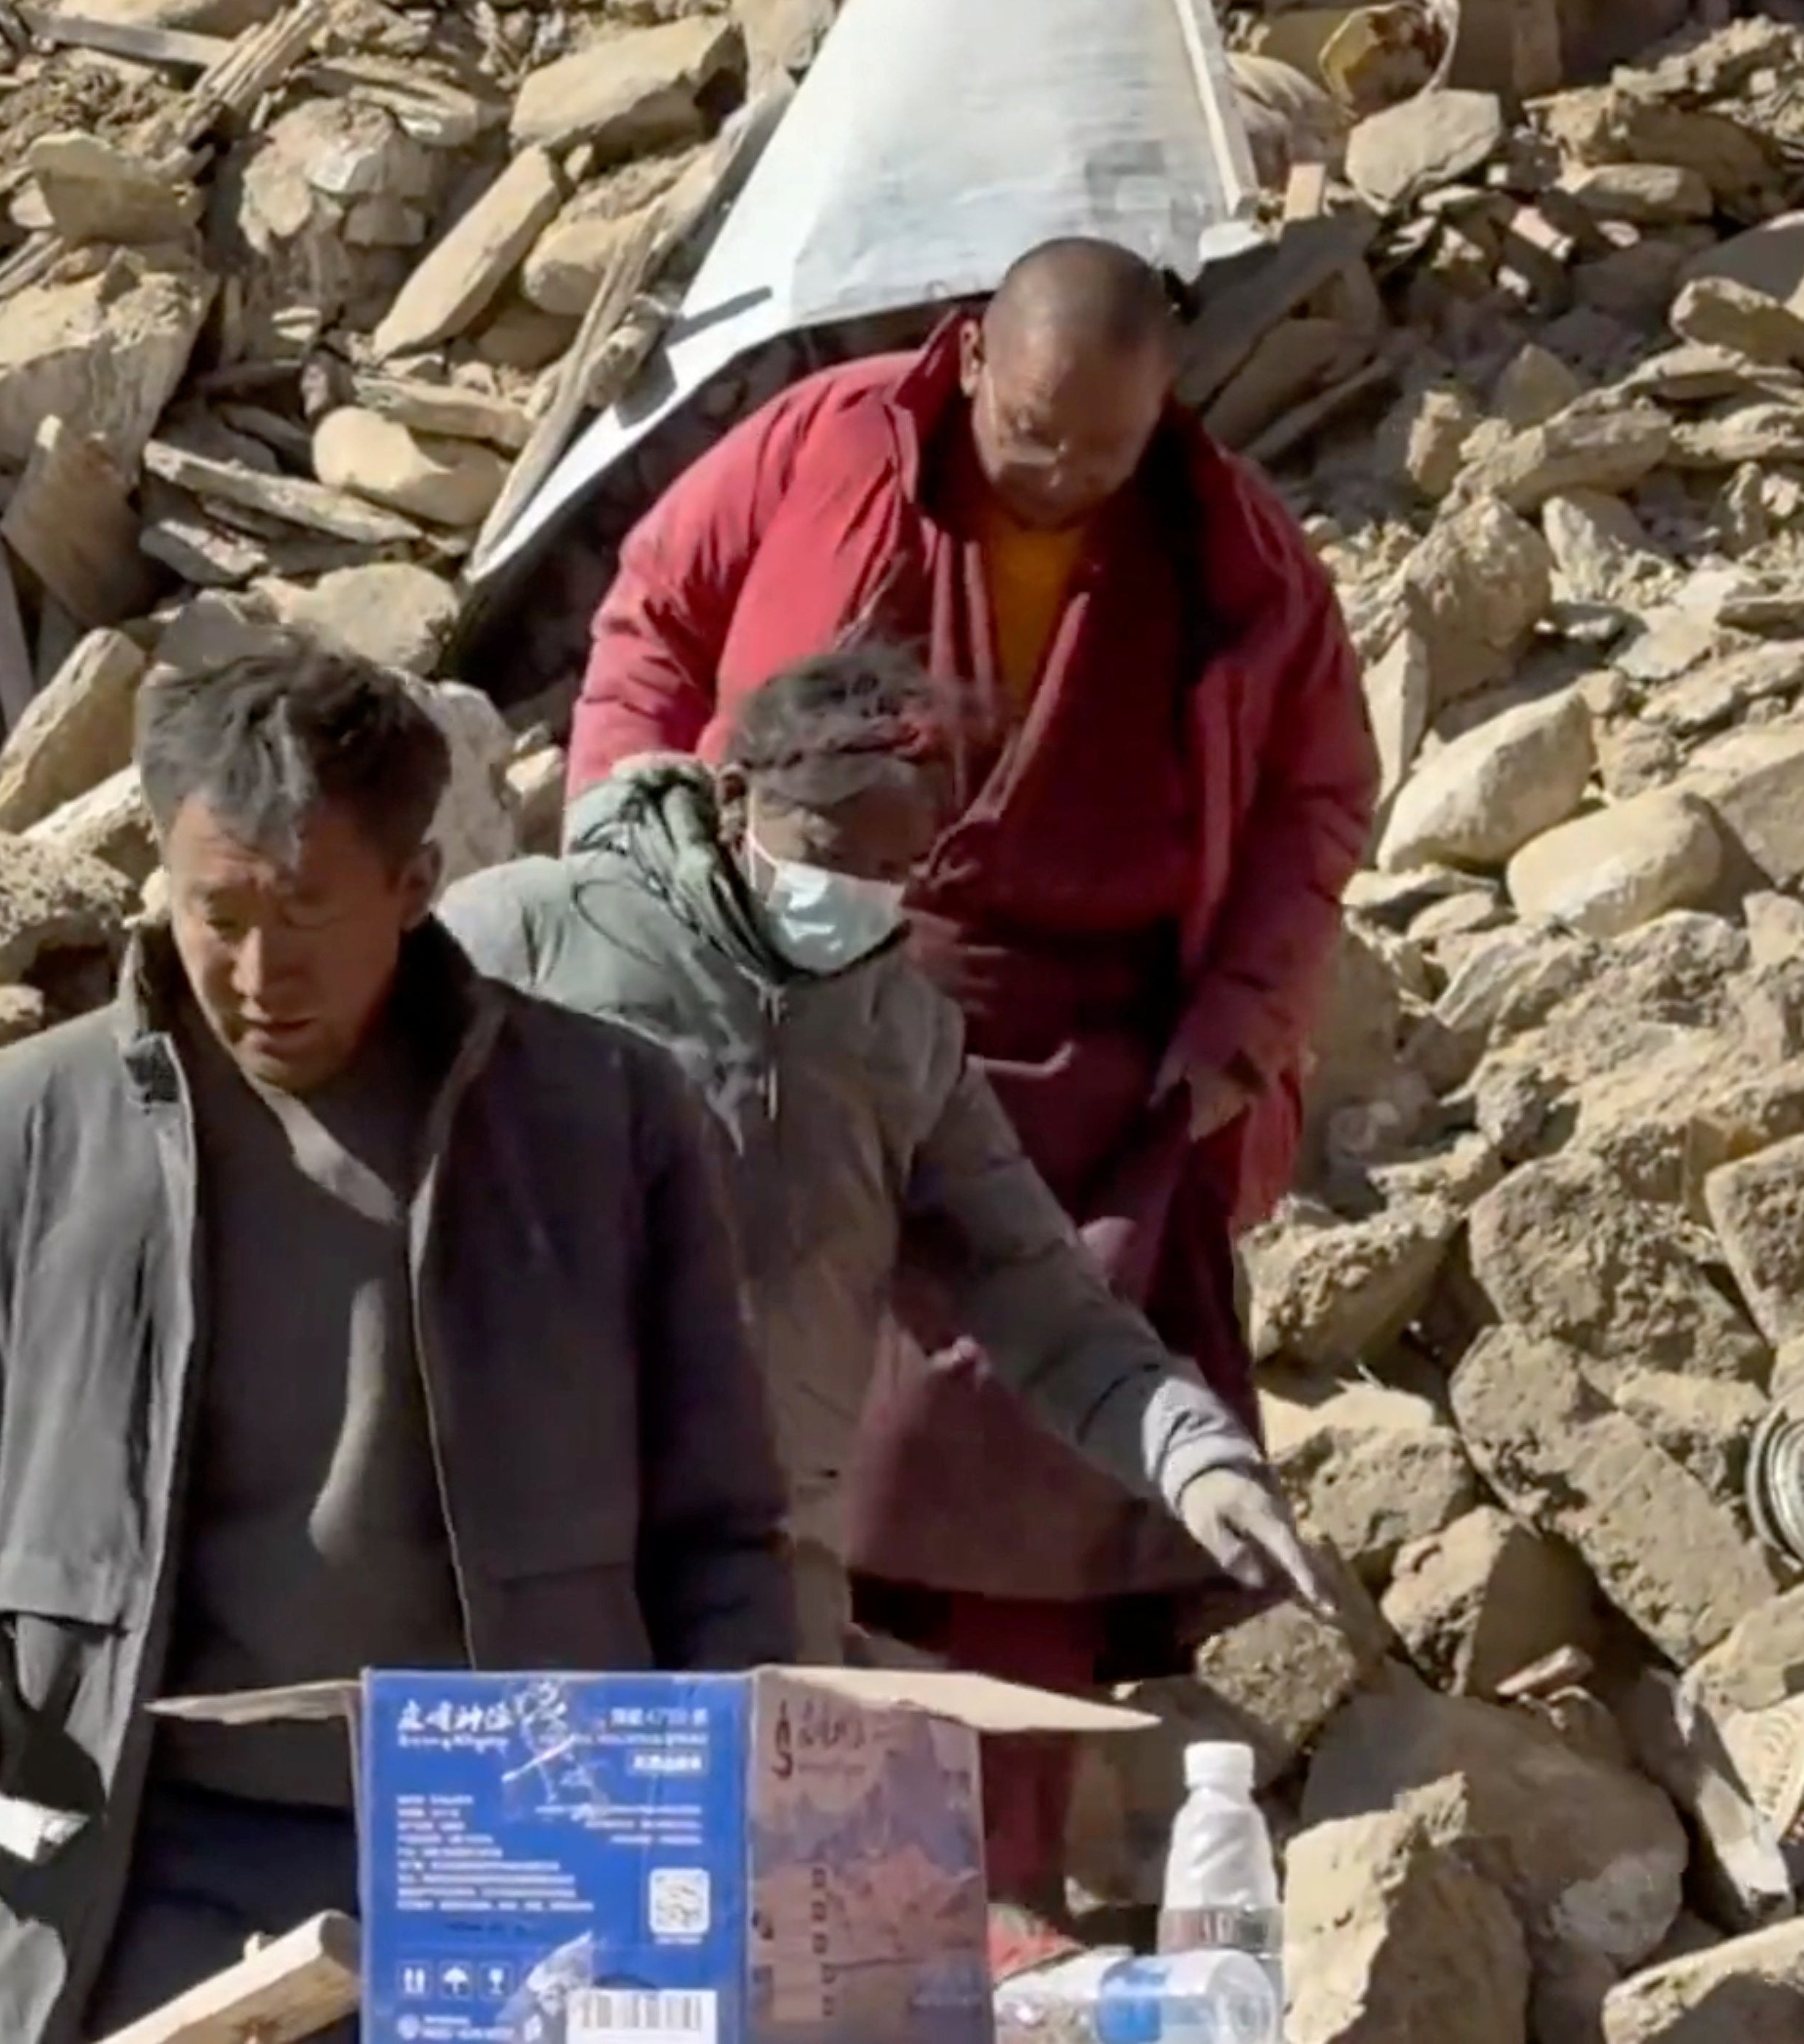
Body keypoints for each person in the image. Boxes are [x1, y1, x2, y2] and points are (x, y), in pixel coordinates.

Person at [566, 235, 1376, 1912]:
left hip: (1087, 1056)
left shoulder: (1224, 545)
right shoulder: (828, 441)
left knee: (1044, 1467)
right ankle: (766, 1887)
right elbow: (652, 617)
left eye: (1101, 444)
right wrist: (622, 855)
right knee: (764, 1436)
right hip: (802, 1003)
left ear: (1162, 405)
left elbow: (1314, 796)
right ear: (968, 362)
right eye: (1027, 429)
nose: (1059, 469)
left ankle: (996, 1894)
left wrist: (1243, 1018)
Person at [0, 643, 795, 2044]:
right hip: (137, 1849)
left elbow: (720, 1526)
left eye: (307, 915)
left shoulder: (609, 1124)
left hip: (528, 1845)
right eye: (216, 915)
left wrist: (743, 1819)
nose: (259, 972)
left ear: (414, 889)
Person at [441, 646, 1343, 1652]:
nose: (857, 891)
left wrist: (1195, 1458)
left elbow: (1038, 1293)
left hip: (763, 1576)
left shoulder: (901, 1039)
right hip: (517, 1560)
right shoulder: (527, 938)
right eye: (831, 848)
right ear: (737, 798)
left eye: (893, 869)